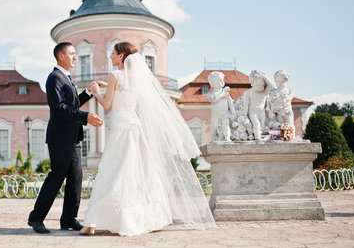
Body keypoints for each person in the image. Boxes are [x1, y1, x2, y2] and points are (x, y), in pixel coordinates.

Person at [80, 42, 215, 236]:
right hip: (134, 127)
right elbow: (123, 93)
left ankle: (93, 221)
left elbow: (107, 105)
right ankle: (145, 217)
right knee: (136, 171)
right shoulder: (136, 78)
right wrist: (106, 86)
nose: (110, 56)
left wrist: (95, 93)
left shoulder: (115, 75)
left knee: (112, 171)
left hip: (119, 128)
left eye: (113, 53)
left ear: (121, 57)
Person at [27, 42, 103, 234]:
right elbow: (59, 108)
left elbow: (74, 103)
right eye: (72, 53)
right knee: (56, 177)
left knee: (76, 177)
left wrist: (89, 92)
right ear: (61, 56)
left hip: (72, 138)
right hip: (59, 138)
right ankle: (36, 218)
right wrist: (85, 117)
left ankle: (69, 219)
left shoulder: (67, 78)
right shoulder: (54, 78)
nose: (75, 57)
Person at [243, 70, 274, 140]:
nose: (260, 87)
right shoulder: (248, 93)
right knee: (256, 124)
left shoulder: (264, 92)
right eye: (257, 85)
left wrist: (264, 77)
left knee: (262, 127)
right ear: (252, 83)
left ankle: (263, 138)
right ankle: (257, 138)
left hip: (262, 112)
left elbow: (271, 86)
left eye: (262, 85)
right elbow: (246, 106)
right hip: (253, 112)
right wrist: (245, 116)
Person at [207, 71, 236, 142]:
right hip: (215, 115)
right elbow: (213, 100)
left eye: (222, 80)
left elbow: (230, 102)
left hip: (225, 114)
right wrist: (222, 95)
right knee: (214, 126)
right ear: (212, 83)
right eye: (218, 80)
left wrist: (233, 112)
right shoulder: (211, 93)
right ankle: (214, 136)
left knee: (225, 125)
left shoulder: (226, 93)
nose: (221, 81)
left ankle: (227, 137)